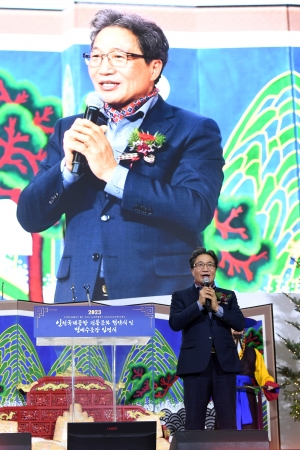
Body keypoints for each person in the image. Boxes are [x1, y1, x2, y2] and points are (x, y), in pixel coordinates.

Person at [16, 9, 224, 303]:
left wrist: (113, 174)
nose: (104, 69)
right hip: (78, 299)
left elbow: (195, 210)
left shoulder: (193, 129)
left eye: (118, 57)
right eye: (96, 57)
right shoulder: (71, 129)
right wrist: (67, 171)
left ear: (154, 68)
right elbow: (29, 216)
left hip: (158, 299)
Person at [169, 247, 245, 430]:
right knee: (194, 421)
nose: (205, 268)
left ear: (215, 270)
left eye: (210, 264)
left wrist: (218, 309)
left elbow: (239, 323)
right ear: (192, 270)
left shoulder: (228, 296)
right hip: (195, 365)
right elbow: (175, 323)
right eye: (200, 264)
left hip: (223, 364)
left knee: (227, 420)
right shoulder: (181, 296)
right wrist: (199, 304)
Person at [232, 320, 280, 430]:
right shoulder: (220, 352)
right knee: (224, 434)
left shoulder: (254, 352)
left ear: (243, 330)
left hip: (247, 395)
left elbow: (262, 375)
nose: (236, 328)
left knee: (249, 432)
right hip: (226, 395)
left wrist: (269, 384)